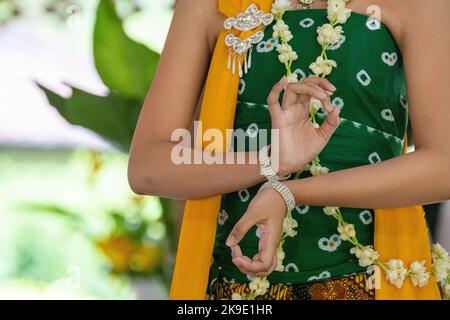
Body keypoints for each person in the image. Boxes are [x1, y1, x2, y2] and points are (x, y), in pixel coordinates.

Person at [128, 0, 450, 300]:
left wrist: (291, 192)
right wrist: (270, 161)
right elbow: (149, 166)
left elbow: (442, 166)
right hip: (236, 284)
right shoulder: (210, 6)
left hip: (370, 278)